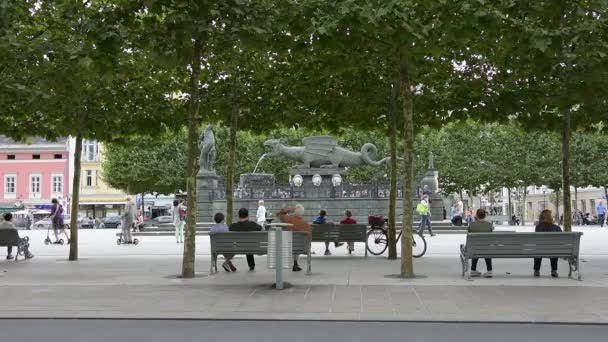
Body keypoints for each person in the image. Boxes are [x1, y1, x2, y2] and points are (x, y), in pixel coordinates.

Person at [278, 204, 311, 272]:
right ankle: (295, 263)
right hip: (300, 247)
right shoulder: (304, 224)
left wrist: (288, 209)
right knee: (297, 244)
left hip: (286, 245)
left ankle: (295, 264)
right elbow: (309, 238)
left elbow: (279, 214)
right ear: (302, 213)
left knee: (293, 242)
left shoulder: (287, 219)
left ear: (294, 211)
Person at [533, 209, 562, 278]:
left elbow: (537, 241)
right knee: (554, 250)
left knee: (538, 250)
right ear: (550, 217)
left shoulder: (538, 227)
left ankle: (536, 270)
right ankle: (554, 270)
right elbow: (560, 241)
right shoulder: (557, 228)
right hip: (552, 250)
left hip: (540, 249)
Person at [468, 209, 494, 278]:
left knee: (477, 247)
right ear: (485, 215)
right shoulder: (489, 225)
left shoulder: (471, 225)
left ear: (476, 215)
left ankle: (473, 270)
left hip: (474, 249)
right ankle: (489, 271)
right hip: (486, 248)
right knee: (485, 247)